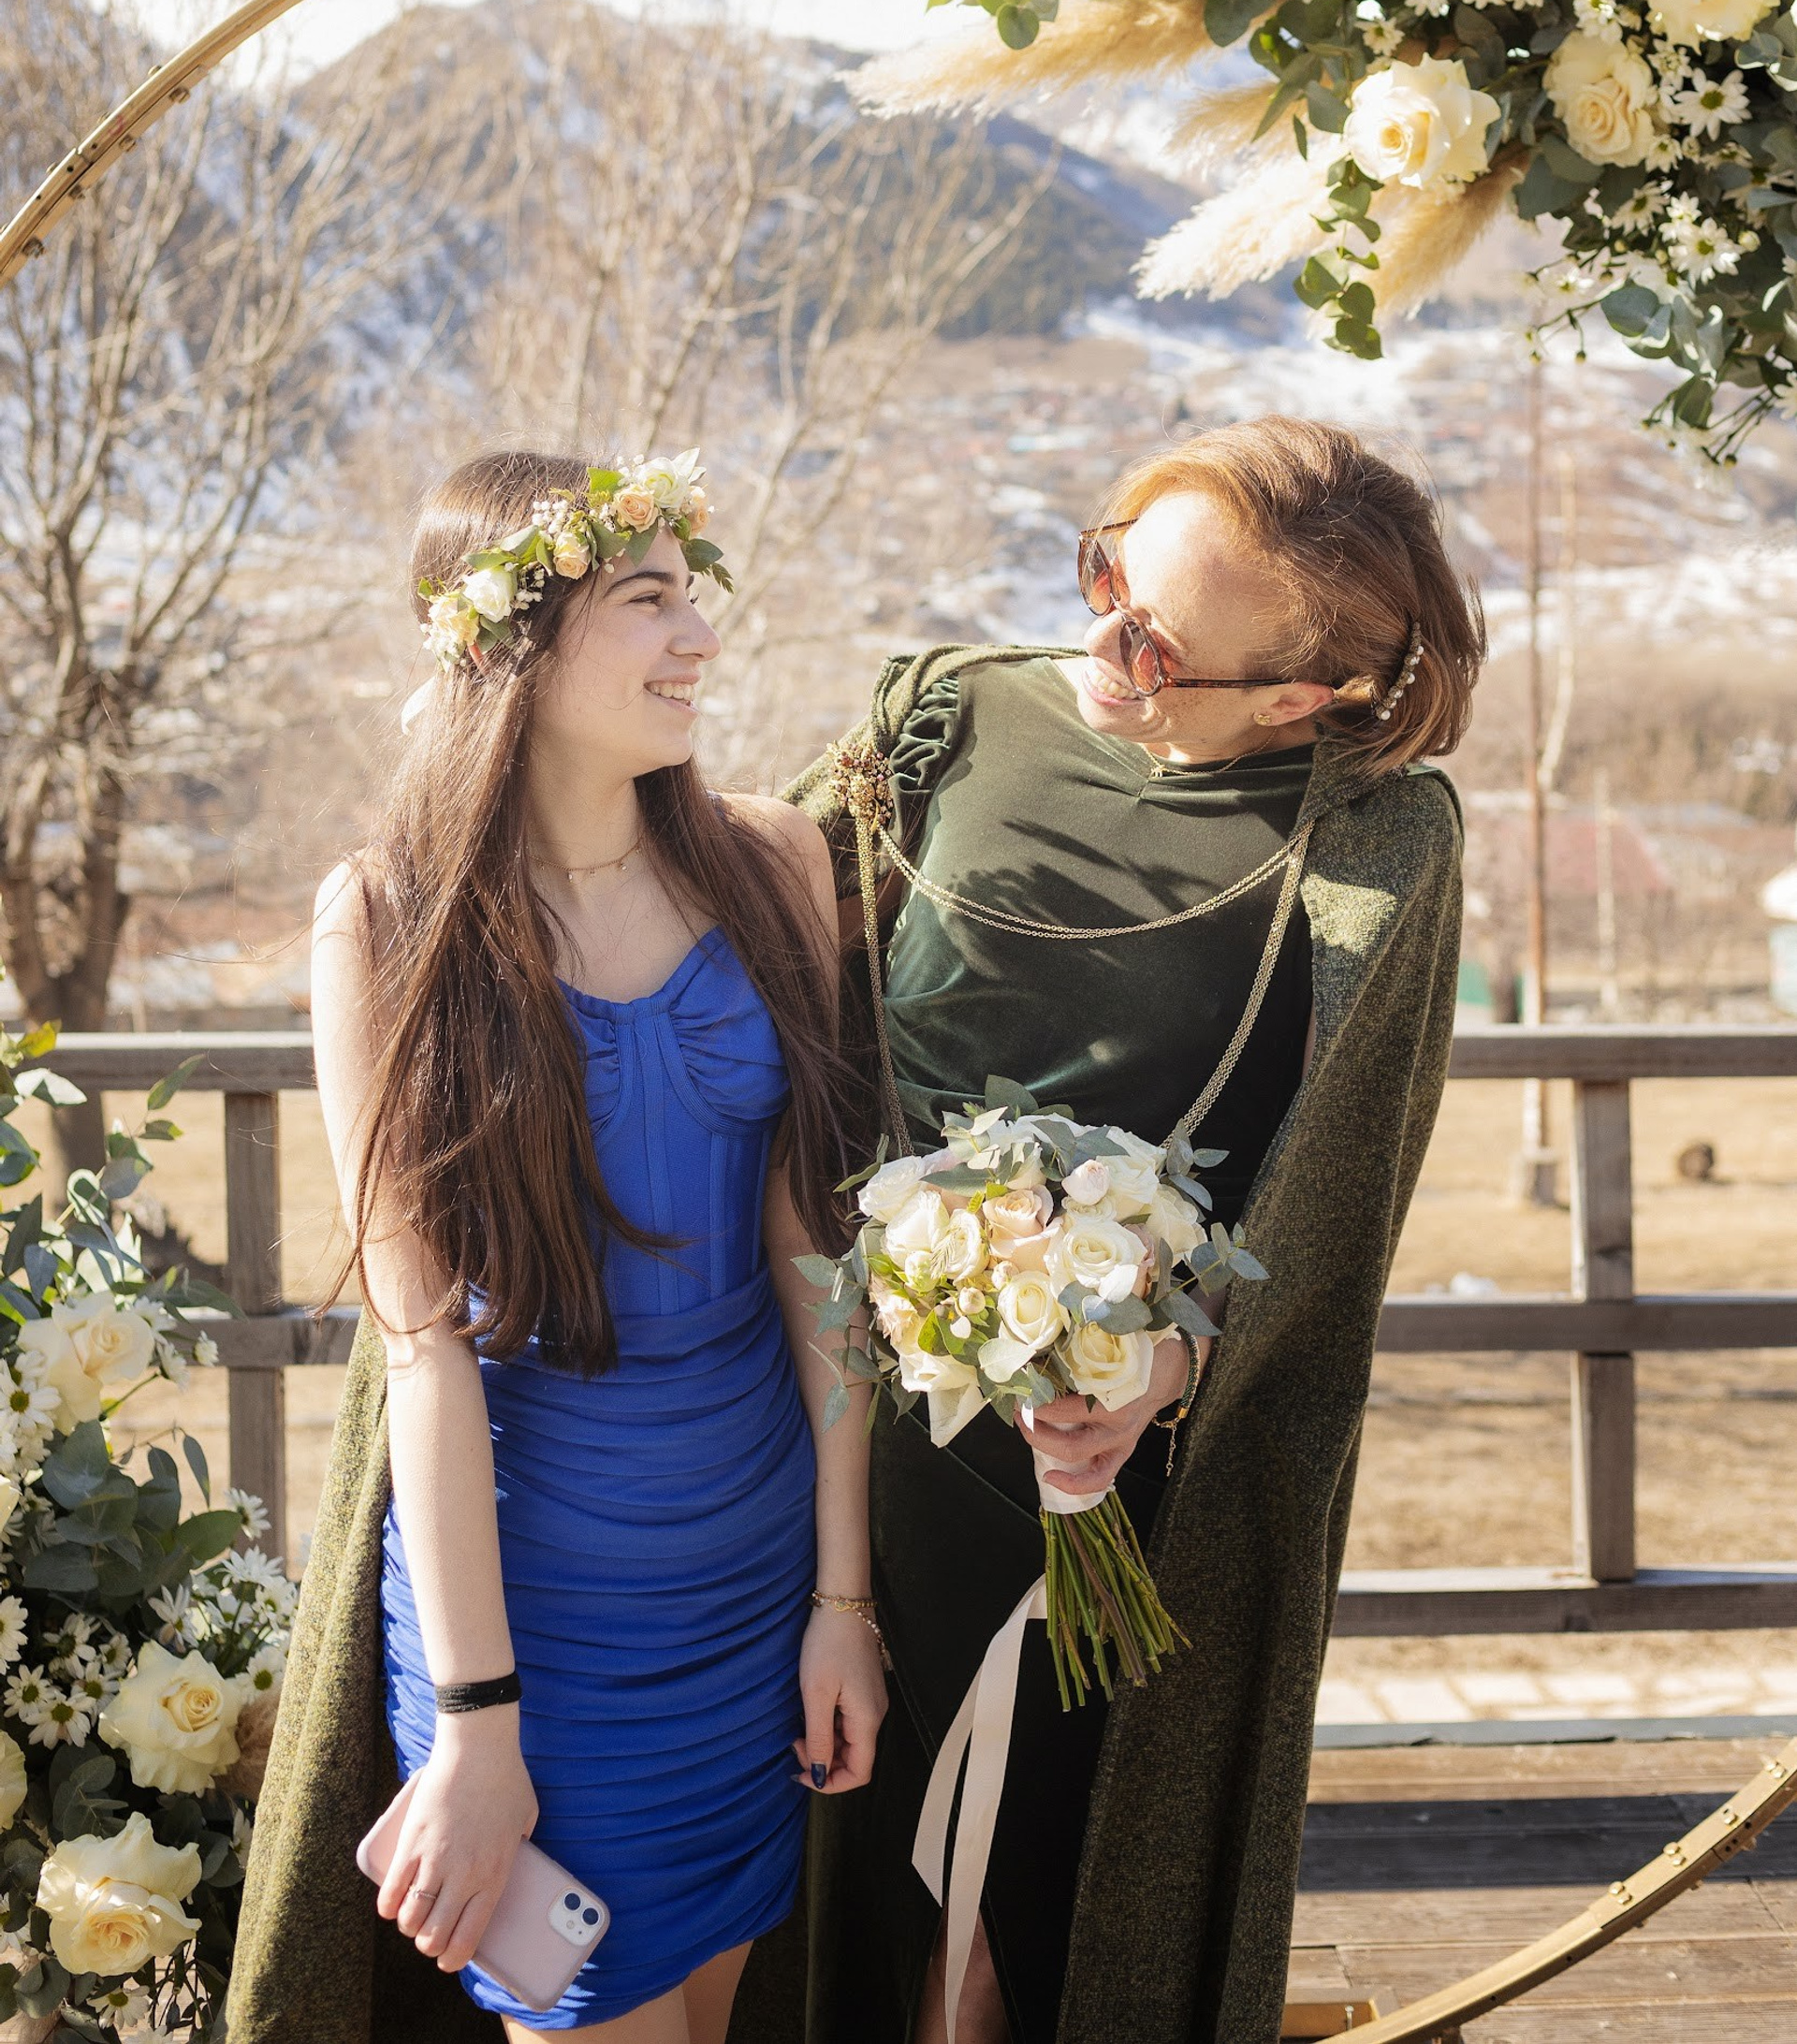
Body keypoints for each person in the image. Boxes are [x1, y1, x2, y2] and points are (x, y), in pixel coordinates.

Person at [786, 416, 1485, 2044]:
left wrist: (1165, 1360)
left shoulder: (1379, 838)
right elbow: (749, 980)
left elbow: (1334, 1200)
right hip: (827, 1436)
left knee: (1025, 1902)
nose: (1101, 635)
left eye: (1159, 636)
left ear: (1304, 695)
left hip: (1108, 1477)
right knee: (841, 1893)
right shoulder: (942, 719)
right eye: (1104, 568)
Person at [229, 447, 884, 2044]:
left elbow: (818, 1264)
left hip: (753, 1574)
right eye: (644, 600)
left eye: (693, 595)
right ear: (503, 644)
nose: (698, 639)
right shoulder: (388, 920)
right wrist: (474, 1725)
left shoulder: (778, 864)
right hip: (537, 1612)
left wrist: (844, 1600)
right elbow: (421, 1350)